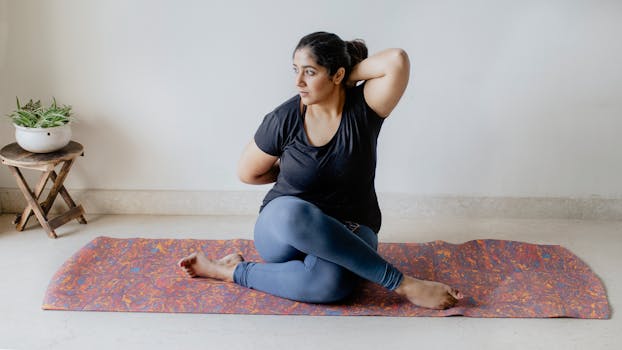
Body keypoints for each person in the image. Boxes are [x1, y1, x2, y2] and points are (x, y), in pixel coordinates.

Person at [178, 31, 463, 309]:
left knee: (332, 286)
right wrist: (290, 172)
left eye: (310, 72)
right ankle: (406, 285)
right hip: (284, 231)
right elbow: (248, 173)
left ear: (338, 75)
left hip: (350, 226)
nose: (298, 82)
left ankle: (228, 270)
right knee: (295, 211)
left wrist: (345, 74)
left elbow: (396, 59)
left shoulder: (364, 109)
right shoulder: (284, 118)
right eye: (295, 70)